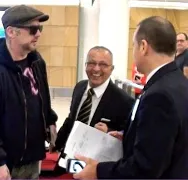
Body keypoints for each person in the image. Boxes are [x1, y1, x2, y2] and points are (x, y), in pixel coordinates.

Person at [74, 16, 188, 179]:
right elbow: (165, 138)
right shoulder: (177, 82)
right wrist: (128, 136)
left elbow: (145, 168)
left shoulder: (159, 96)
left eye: (133, 45)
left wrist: (98, 171)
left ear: (143, 47)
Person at [0, 4, 58, 180]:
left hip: (33, 160)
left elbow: (41, 98)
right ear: (11, 32)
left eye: (40, 28)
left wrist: (50, 120)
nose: (38, 34)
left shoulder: (37, 62)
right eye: (32, 29)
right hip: (4, 165)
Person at [55, 46, 134, 152]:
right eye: (92, 63)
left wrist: (108, 132)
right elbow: (71, 120)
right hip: (69, 155)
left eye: (103, 64)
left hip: (98, 163)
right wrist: (56, 144)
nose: (96, 69)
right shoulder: (79, 87)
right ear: (85, 65)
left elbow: (129, 137)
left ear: (111, 69)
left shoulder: (124, 101)